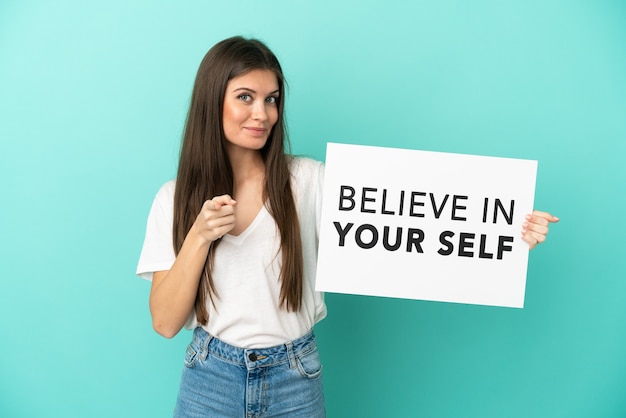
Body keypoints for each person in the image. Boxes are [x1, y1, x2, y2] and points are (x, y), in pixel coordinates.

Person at [136, 36, 559, 417]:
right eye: (245, 97)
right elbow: (166, 322)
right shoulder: (173, 199)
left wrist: (503, 228)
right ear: (213, 101)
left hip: (294, 378)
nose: (262, 113)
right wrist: (200, 235)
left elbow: (412, 219)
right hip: (210, 378)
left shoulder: (308, 181)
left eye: (272, 99)